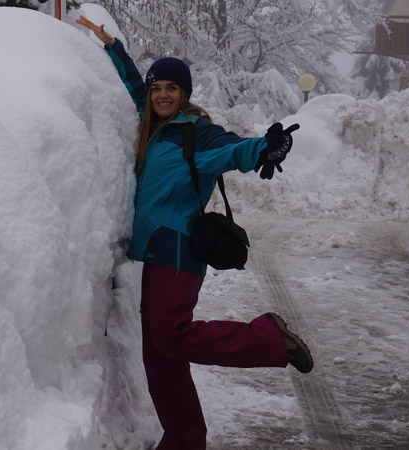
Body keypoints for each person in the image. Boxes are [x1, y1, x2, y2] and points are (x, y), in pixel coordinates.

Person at [76, 15, 313, 450]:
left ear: (185, 94)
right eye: (158, 88)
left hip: (181, 254)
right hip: (157, 254)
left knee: (172, 337)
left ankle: (268, 338)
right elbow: (135, 89)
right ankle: (184, 436)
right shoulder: (157, 126)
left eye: (172, 88)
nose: (163, 94)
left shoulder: (195, 133)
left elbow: (232, 148)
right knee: (159, 354)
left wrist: (264, 146)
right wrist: (113, 47)